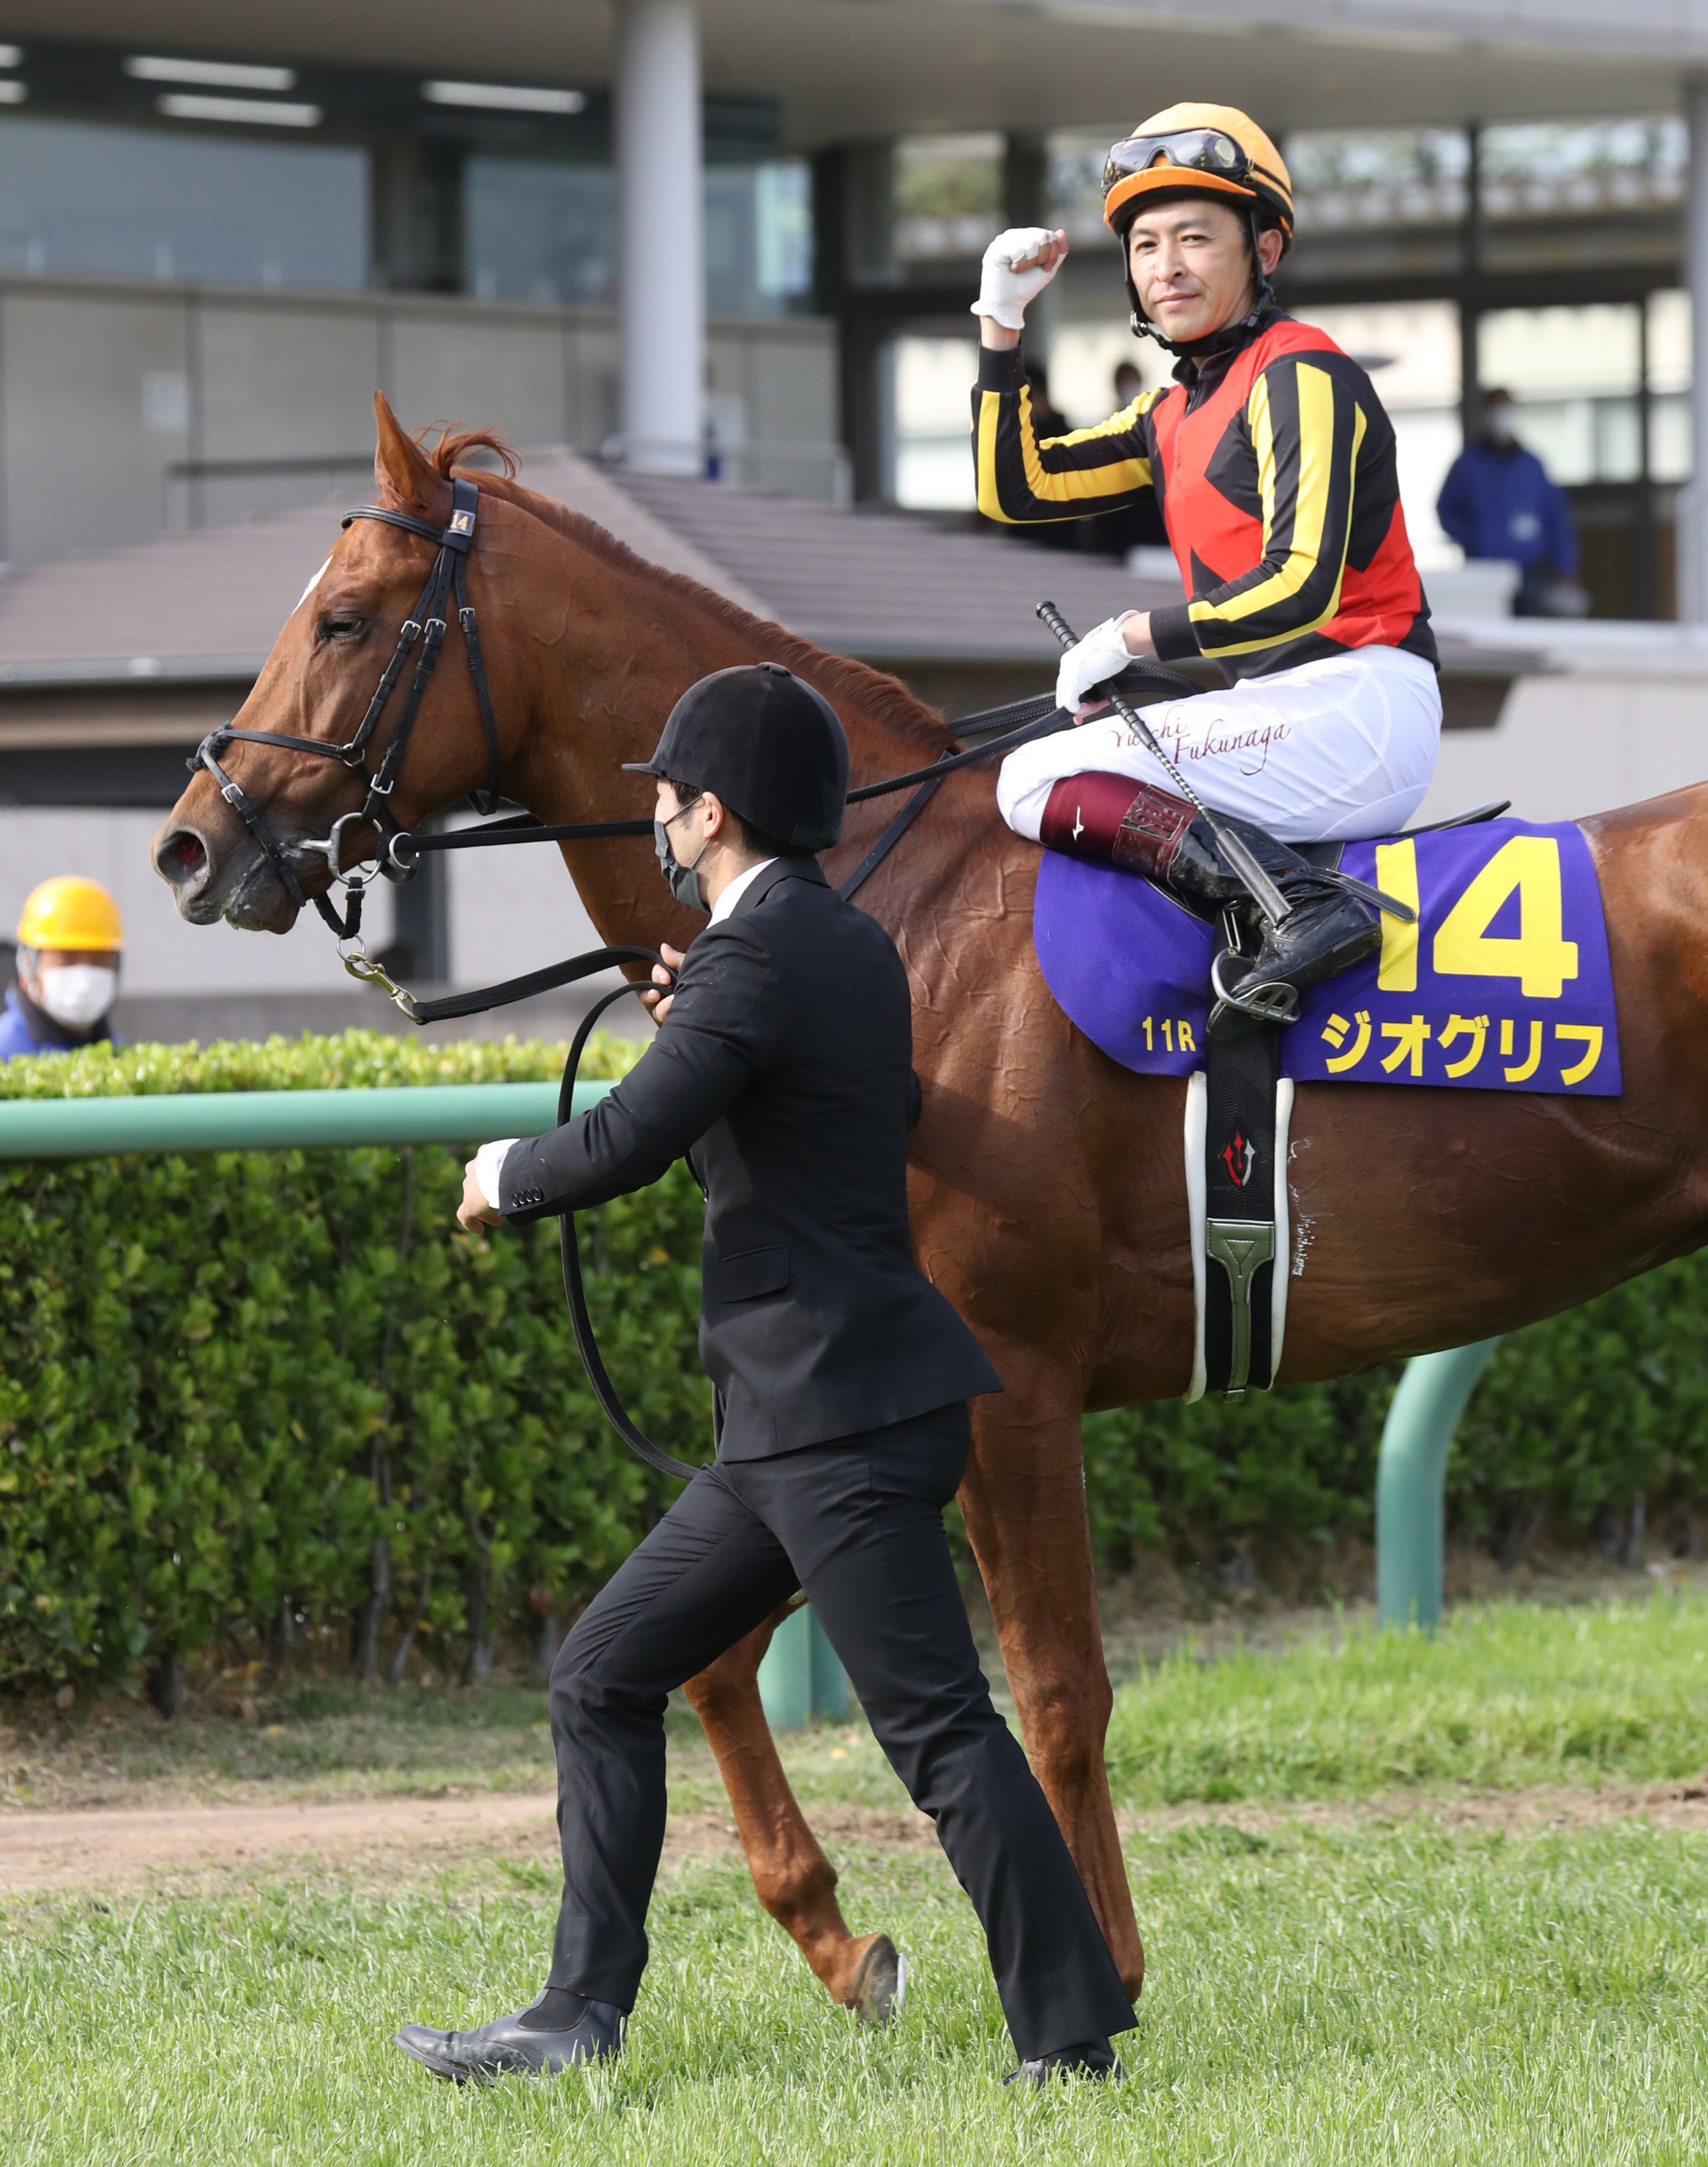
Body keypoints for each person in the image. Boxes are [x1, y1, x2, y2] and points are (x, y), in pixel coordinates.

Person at [393, 662, 1136, 2088]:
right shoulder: (837, 944)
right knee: (604, 1676)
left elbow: (622, 1143)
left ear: (710, 813)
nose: (655, 823)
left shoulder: (753, 961)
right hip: (809, 1421)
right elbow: (854, 1100)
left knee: (939, 1738)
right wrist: (706, 1016)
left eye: (664, 802)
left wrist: (503, 1175)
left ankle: (1073, 2039)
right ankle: (576, 2016)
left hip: (834, 1428)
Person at [968, 103, 1442, 1037]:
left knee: (1028, 782)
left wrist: (1127, 633)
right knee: (1098, 719)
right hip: (1293, 711)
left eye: (1195, 237)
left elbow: (1300, 584)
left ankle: (1299, 905)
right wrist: (1000, 323)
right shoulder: (1170, 411)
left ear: (1265, 251)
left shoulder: (1300, 372)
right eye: (1145, 245)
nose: (1166, 266)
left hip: (1359, 699)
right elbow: (1014, 490)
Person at [1436, 389, 1586, 618]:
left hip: (1529, 568)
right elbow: (1445, 509)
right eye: (1497, 410)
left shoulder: (1532, 465)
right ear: (1486, 414)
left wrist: (1565, 567)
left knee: (1528, 630)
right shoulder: (1467, 464)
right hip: (1484, 569)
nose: (1502, 416)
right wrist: (1473, 537)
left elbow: (1556, 517)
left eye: (1507, 409)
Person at [0, 877, 123, 1060]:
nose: (84, 979)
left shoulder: (120, 1055)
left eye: (98, 959)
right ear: (28, 963)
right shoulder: (5, 1051)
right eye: (67, 958)